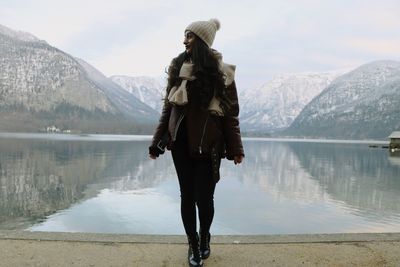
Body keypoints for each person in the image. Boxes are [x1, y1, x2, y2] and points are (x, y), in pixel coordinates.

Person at [149, 18, 244, 267]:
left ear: (201, 40)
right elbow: (168, 109)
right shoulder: (178, 66)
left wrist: (236, 149)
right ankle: (192, 244)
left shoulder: (222, 74)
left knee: (205, 198)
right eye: (184, 35)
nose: (184, 40)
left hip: (209, 144)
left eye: (189, 36)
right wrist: (157, 141)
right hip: (179, 142)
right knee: (187, 196)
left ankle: (205, 238)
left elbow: (231, 114)